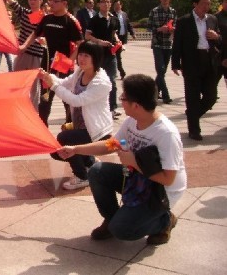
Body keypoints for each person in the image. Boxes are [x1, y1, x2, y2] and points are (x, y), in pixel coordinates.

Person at [57, 74, 186, 245]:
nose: (120, 102)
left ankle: (164, 221)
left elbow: (168, 179)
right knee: (97, 171)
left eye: (123, 98)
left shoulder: (166, 134)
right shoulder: (132, 121)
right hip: (138, 176)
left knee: (123, 230)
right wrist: (75, 150)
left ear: (136, 105)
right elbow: (111, 145)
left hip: (160, 191)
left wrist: (133, 162)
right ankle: (111, 218)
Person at [40, 41, 113, 190]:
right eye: (80, 54)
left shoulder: (102, 82)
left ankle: (82, 176)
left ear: (96, 58)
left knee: (65, 139)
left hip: (97, 131)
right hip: (81, 128)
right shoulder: (80, 72)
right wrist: (48, 77)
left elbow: (77, 100)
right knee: (56, 151)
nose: (81, 59)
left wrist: (53, 86)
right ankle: (89, 162)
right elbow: (64, 82)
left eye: (87, 56)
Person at [21, 0, 83, 126]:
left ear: (64, 3)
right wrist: (24, 46)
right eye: (51, 0)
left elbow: (80, 44)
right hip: (47, 66)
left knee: (67, 100)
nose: (51, 3)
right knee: (45, 100)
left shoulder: (70, 21)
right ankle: (43, 129)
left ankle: (69, 128)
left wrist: (69, 61)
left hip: (64, 68)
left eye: (55, 1)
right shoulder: (47, 19)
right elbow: (35, 34)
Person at [172, 0, 222, 141]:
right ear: (195, 4)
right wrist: (175, 63)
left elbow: (219, 39)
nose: (206, 7)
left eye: (208, 4)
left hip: (209, 61)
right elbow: (177, 43)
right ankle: (194, 130)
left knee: (211, 97)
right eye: (203, 4)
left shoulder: (212, 19)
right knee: (192, 97)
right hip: (192, 63)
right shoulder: (184, 21)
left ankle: (192, 115)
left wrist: (216, 37)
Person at [0, 0, 46, 109]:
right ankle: (15, 105)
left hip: (37, 55)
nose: (32, 2)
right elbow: (11, 1)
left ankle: (33, 110)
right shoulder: (24, 13)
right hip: (22, 53)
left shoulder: (46, 18)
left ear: (41, 0)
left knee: (34, 85)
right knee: (16, 81)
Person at [85, 0, 121, 119]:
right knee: (96, 81)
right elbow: (87, 36)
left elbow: (114, 33)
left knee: (112, 81)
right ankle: (95, 107)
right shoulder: (94, 20)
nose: (106, 4)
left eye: (108, 1)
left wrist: (117, 41)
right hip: (97, 55)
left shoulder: (114, 19)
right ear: (99, 4)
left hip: (111, 55)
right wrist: (99, 42)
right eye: (103, 1)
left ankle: (112, 108)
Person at [148, 0, 177, 104]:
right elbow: (149, 27)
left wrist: (172, 29)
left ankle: (153, 93)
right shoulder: (154, 11)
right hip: (158, 44)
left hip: (168, 44)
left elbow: (176, 26)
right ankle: (166, 95)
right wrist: (159, 29)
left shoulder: (173, 12)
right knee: (160, 69)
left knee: (162, 72)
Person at [112, 0, 136, 79]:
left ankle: (116, 71)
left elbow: (128, 25)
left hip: (122, 38)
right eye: (115, 5)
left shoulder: (124, 14)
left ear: (121, 6)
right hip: (115, 38)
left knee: (116, 55)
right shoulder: (111, 15)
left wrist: (132, 33)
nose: (116, 7)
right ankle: (121, 72)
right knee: (117, 55)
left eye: (118, 5)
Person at [215, 0, 227, 88]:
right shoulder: (214, 18)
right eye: (226, 1)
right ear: (222, 3)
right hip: (218, 56)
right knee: (211, 86)